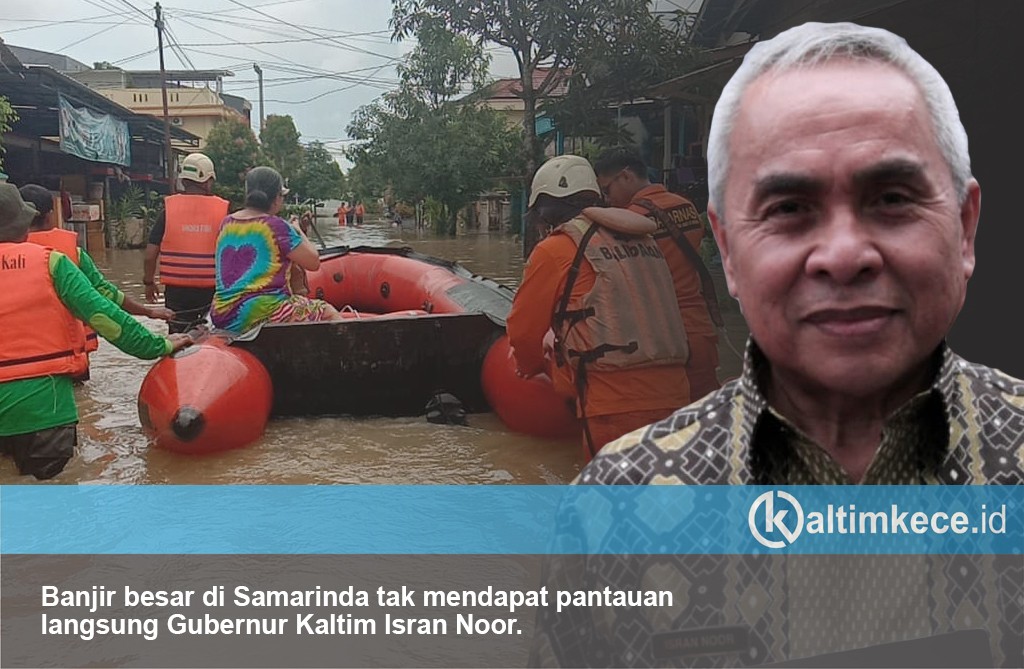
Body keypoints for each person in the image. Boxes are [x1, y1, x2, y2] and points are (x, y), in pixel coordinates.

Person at [532, 22, 1023, 668]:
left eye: (893, 198)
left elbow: (524, 336)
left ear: (964, 229)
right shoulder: (611, 510)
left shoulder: (559, 248)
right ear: (729, 250)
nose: (844, 255)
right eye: (789, 208)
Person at [0, 183, 192, 480]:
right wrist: (159, 345)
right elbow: (105, 317)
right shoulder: (51, 263)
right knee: (56, 507)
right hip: (45, 413)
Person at [507, 154, 691, 460]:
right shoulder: (644, 240)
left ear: (545, 209)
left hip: (614, 403)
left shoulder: (555, 249)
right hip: (678, 395)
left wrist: (529, 367)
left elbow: (523, 332)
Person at [593, 148, 723, 400]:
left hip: (661, 337)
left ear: (626, 176)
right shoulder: (686, 207)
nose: (606, 199)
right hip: (700, 330)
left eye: (607, 190)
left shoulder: (631, 222)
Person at [210, 166, 342, 333]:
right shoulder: (277, 226)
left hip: (221, 313)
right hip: (260, 311)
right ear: (276, 198)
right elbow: (313, 262)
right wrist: (298, 230)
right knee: (326, 311)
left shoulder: (226, 223)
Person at [143, 153, 230, 333]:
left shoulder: (168, 209)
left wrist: (149, 282)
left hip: (176, 292)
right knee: (212, 336)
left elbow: (150, 255)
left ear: (183, 180)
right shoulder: (223, 210)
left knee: (178, 337)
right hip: (213, 291)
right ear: (207, 181)